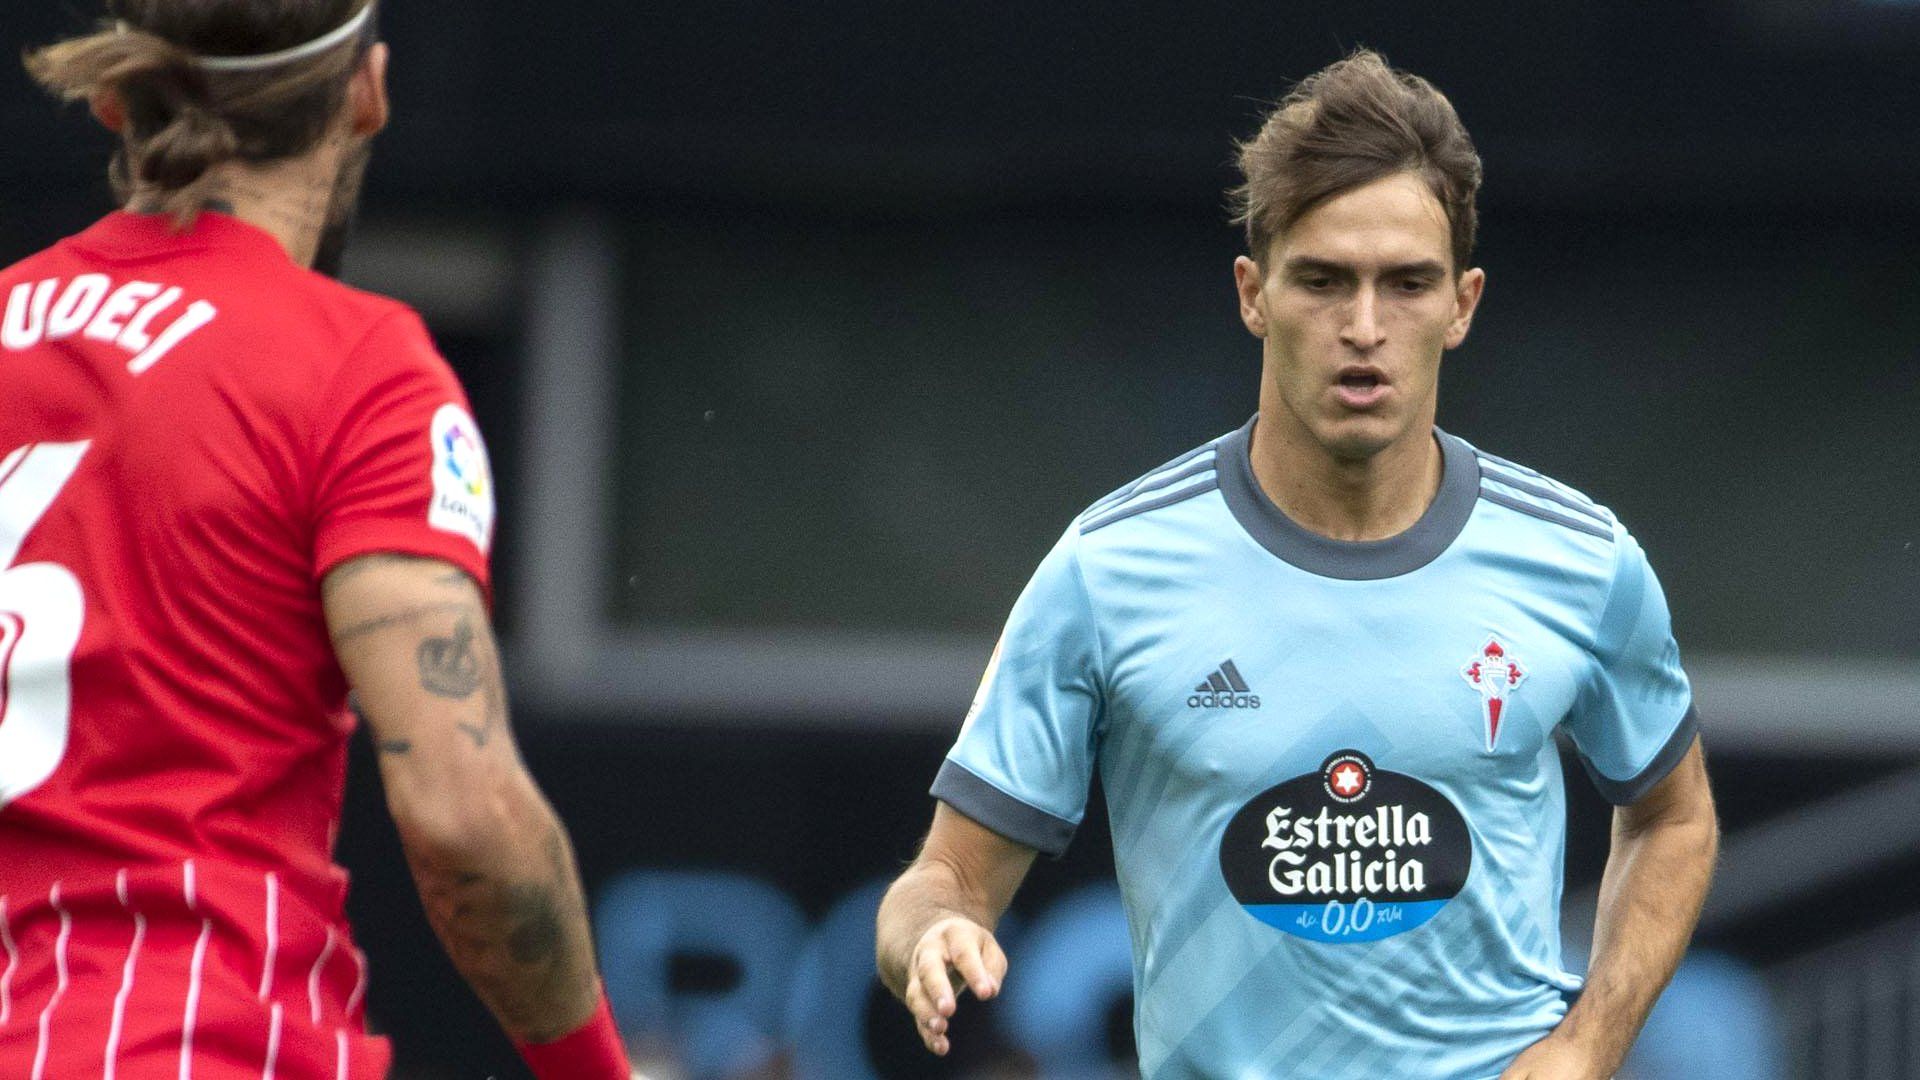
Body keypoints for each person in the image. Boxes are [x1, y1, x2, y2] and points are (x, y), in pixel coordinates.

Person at [876, 50, 1720, 1080]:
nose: (1364, 328)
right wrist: (933, 932)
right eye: (1323, 281)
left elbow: (1674, 817)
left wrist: (1590, 1044)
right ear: (1254, 293)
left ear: (1462, 303)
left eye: (1406, 283)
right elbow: (943, 878)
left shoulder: (1582, 561)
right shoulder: (1108, 570)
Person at [0, 3, 632, 1077]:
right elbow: (464, 817)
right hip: (190, 1043)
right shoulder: (356, 369)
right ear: (367, 90)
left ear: (113, 100)